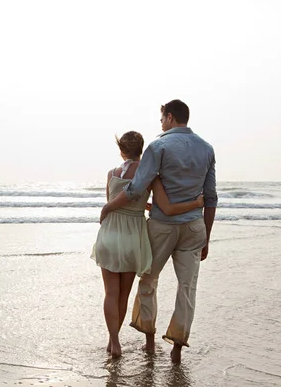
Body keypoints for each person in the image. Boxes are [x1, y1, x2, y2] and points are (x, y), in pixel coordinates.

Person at [100, 100, 217, 364]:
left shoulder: (159, 145)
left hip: (162, 226)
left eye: (162, 118)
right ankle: (176, 347)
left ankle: (150, 340)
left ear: (170, 117)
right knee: (187, 288)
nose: (161, 123)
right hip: (194, 227)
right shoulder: (207, 148)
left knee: (148, 281)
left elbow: (135, 188)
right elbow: (211, 198)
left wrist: (108, 207)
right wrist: (206, 237)